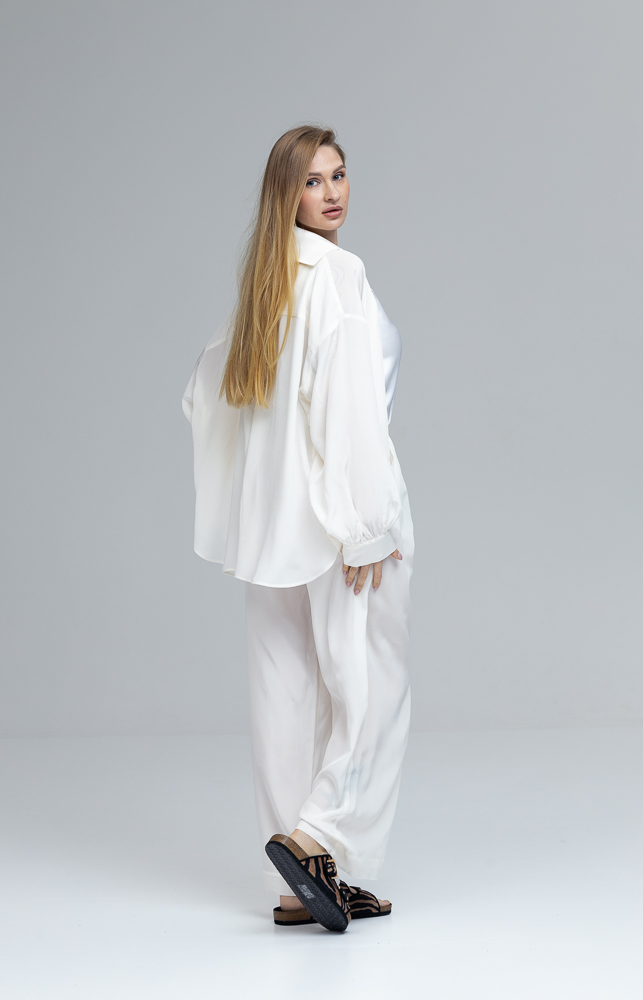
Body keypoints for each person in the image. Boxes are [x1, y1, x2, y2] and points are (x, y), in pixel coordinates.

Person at [182, 125, 414, 933]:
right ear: (285, 193)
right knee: (371, 690)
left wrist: (254, 495)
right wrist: (364, 527)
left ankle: (296, 886)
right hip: (343, 519)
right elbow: (348, 413)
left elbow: (204, 395)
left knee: (286, 691)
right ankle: (317, 840)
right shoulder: (339, 275)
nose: (332, 193)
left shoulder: (265, 283)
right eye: (312, 181)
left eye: (339, 175)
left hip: (272, 529)